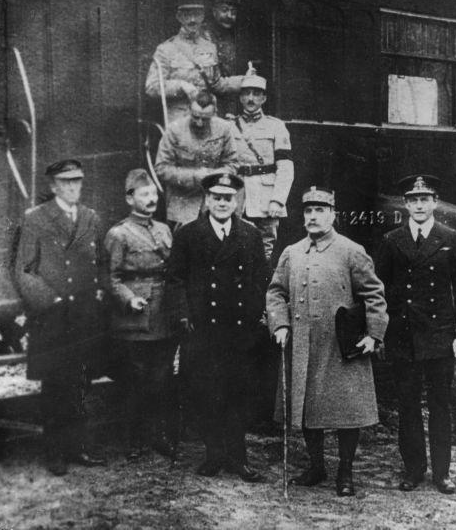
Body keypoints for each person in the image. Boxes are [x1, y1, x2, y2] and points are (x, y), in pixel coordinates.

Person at [266, 187, 388, 496]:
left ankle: (345, 473)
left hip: (341, 345)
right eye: (308, 211)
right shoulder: (291, 252)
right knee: (308, 410)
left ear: (332, 214)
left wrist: (374, 334)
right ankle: (316, 466)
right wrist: (279, 323)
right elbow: (275, 292)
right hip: (303, 346)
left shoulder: (351, 250)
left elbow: (373, 294)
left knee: (346, 412)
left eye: (320, 210)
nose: (313, 216)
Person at [166, 172, 268, 482]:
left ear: (237, 201)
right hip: (204, 329)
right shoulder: (188, 234)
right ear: (207, 200)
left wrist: (254, 316)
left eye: (228, 198)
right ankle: (213, 455)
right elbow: (174, 279)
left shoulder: (250, 235)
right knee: (207, 393)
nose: (223, 203)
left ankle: (238, 459)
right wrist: (184, 316)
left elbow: (261, 279)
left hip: (239, 330)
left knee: (238, 394)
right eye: (217, 197)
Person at [375, 174, 456, 495]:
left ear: (435, 203)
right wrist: (380, 332)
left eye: (425, 199)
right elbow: (381, 290)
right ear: (406, 204)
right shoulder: (392, 240)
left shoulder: (451, 238)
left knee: (440, 404)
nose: (419, 205)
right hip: (403, 336)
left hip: (440, 336)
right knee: (408, 406)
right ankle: (414, 469)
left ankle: (442, 473)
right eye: (413, 200)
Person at [15, 160, 107, 475]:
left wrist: (98, 294)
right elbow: (24, 270)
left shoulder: (91, 218)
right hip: (51, 316)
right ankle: (54, 452)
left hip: (82, 316)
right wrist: (50, 300)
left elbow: (100, 264)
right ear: (53, 186)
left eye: (77, 181)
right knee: (54, 385)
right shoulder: (36, 219)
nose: (72, 187)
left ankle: (78, 447)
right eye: (65, 182)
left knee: (80, 382)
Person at [104, 169, 186, 460]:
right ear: (130, 198)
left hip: (164, 315)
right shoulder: (118, 234)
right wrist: (129, 299)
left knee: (161, 379)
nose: (151, 200)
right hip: (134, 320)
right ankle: (135, 439)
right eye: (144, 194)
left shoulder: (164, 230)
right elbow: (110, 278)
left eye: (154, 194)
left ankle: (157, 435)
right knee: (136, 381)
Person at [145, 0, 244, 122]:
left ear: (202, 16)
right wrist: (181, 86)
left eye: (196, 14)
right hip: (180, 119)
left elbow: (217, 84)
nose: (192, 20)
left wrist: (244, 80)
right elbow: (151, 87)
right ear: (179, 17)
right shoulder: (166, 49)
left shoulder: (210, 47)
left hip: (208, 116)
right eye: (187, 15)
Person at [154, 89, 238, 230]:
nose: (199, 123)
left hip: (216, 203)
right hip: (182, 204)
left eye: (205, 119)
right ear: (188, 110)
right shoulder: (174, 130)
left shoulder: (224, 129)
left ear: (214, 113)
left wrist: (214, 175)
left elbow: (232, 163)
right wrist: (194, 176)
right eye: (195, 117)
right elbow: (161, 168)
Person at [232, 74, 294, 262]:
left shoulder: (276, 126)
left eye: (256, 94)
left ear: (264, 98)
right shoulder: (229, 126)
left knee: (264, 248)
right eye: (246, 94)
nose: (251, 99)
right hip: (238, 194)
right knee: (234, 246)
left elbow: (285, 167)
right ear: (240, 97)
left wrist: (278, 200)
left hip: (266, 196)